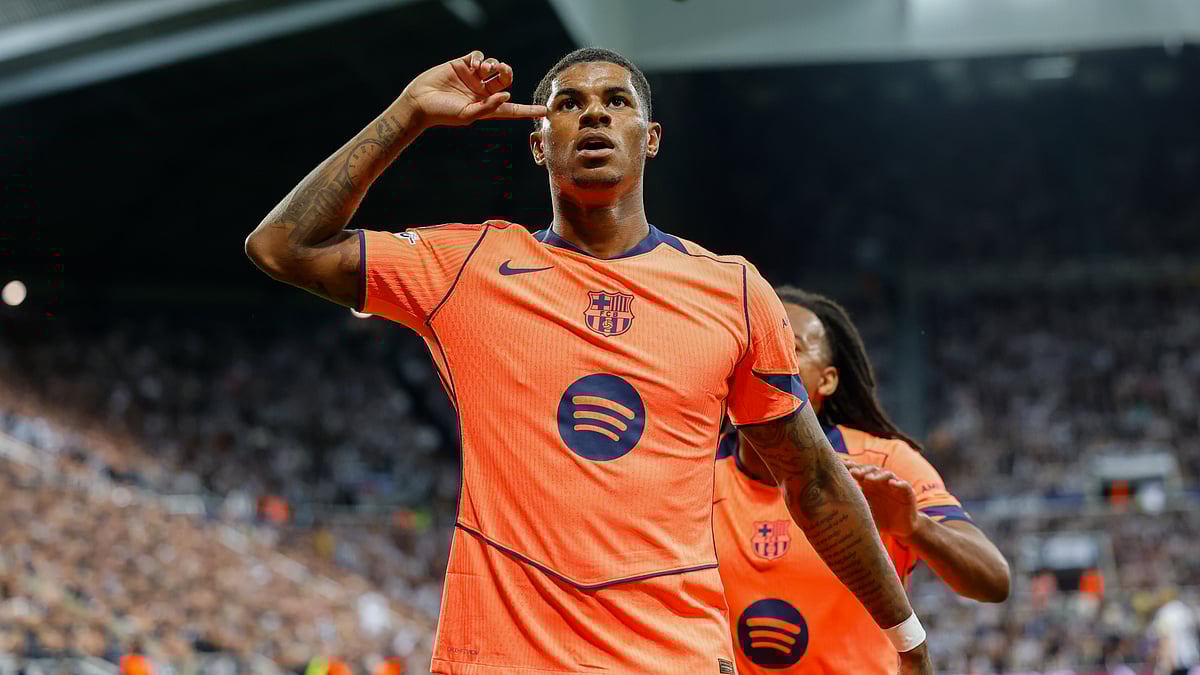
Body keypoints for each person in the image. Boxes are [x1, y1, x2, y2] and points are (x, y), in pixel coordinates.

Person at [245, 47, 934, 674]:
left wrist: (906, 636)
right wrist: (410, 113)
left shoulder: (732, 289)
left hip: (671, 658)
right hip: (502, 658)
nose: (594, 114)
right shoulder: (468, 268)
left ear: (650, 138)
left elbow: (811, 478)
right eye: (568, 104)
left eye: (617, 101)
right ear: (539, 144)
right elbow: (281, 247)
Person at [714, 287, 1010, 673]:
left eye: (791, 345)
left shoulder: (885, 464)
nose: (762, 355)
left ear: (828, 381)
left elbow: (993, 581)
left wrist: (914, 528)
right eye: (751, 342)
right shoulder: (691, 469)